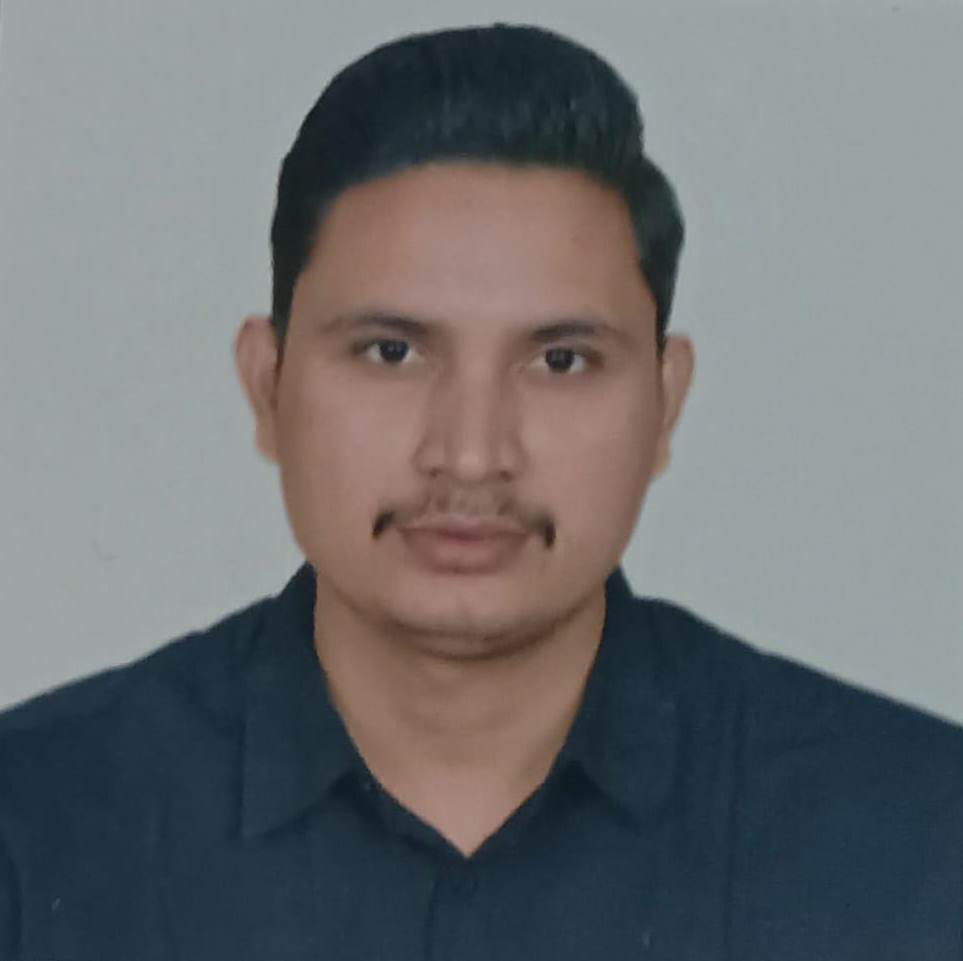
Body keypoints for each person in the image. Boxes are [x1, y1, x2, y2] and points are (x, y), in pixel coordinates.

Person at [1, 21, 960, 961]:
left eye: (560, 360)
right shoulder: (36, 824)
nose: (469, 456)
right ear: (268, 385)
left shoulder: (916, 839)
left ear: (664, 405)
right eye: (391, 351)